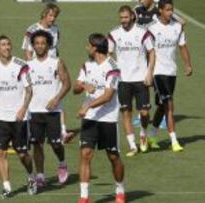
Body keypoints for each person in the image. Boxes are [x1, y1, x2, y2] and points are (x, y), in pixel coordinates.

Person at [74, 33, 125, 203]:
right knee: (86, 154)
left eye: (88, 45)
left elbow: (108, 96)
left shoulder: (113, 68)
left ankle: (120, 188)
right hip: (90, 119)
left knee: (113, 157)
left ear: (95, 48)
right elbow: (76, 88)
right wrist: (82, 86)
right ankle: (84, 197)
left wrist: (87, 106)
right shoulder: (86, 65)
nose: (86, 48)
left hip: (108, 119)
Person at [0, 35, 37, 198]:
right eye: (3, 45)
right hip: (1, 118)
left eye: (9, 44)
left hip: (19, 118)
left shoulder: (21, 66)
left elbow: (29, 90)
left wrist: (23, 109)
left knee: (22, 154)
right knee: (1, 153)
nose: (7, 47)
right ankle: (7, 186)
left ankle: (31, 177)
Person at [21, 3, 74, 143]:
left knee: (58, 97)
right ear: (44, 14)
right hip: (36, 69)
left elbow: (55, 50)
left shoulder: (56, 29)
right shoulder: (32, 30)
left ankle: (62, 131)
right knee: (32, 97)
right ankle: (27, 127)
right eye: (50, 15)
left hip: (52, 68)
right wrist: (31, 69)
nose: (53, 19)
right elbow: (27, 51)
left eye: (55, 16)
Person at [108, 5, 155, 156]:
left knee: (145, 113)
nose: (123, 21)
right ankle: (132, 146)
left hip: (141, 79)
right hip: (123, 80)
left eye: (126, 17)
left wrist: (149, 73)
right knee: (126, 112)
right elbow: (108, 54)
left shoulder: (143, 33)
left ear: (133, 17)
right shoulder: (114, 34)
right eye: (121, 18)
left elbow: (152, 53)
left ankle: (142, 133)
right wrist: (115, 70)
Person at [147, 0, 192, 152]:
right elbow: (147, 52)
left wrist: (187, 65)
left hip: (171, 72)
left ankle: (151, 135)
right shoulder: (151, 28)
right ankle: (174, 141)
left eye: (171, 10)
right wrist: (148, 72)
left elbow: (182, 47)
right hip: (158, 72)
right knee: (169, 104)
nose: (170, 12)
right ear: (159, 11)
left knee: (161, 105)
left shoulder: (177, 27)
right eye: (167, 10)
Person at [27, 30, 71, 187]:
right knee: (36, 144)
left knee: (55, 143)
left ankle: (62, 163)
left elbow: (67, 83)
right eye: (37, 43)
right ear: (33, 45)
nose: (39, 46)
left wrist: (56, 99)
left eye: (43, 43)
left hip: (53, 111)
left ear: (48, 45)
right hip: (34, 111)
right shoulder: (27, 65)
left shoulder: (56, 62)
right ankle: (40, 175)